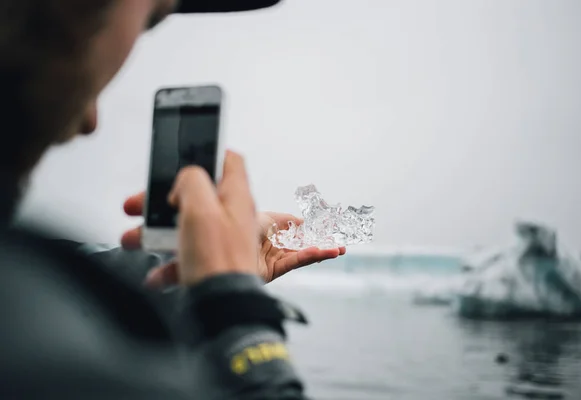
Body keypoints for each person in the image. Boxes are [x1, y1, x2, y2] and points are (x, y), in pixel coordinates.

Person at [0, 0, 345, 398]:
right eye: (150, 22)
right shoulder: (70, 374)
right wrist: (237, 313)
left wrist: (202, 272)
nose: (90, 119)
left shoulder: (25, 285)